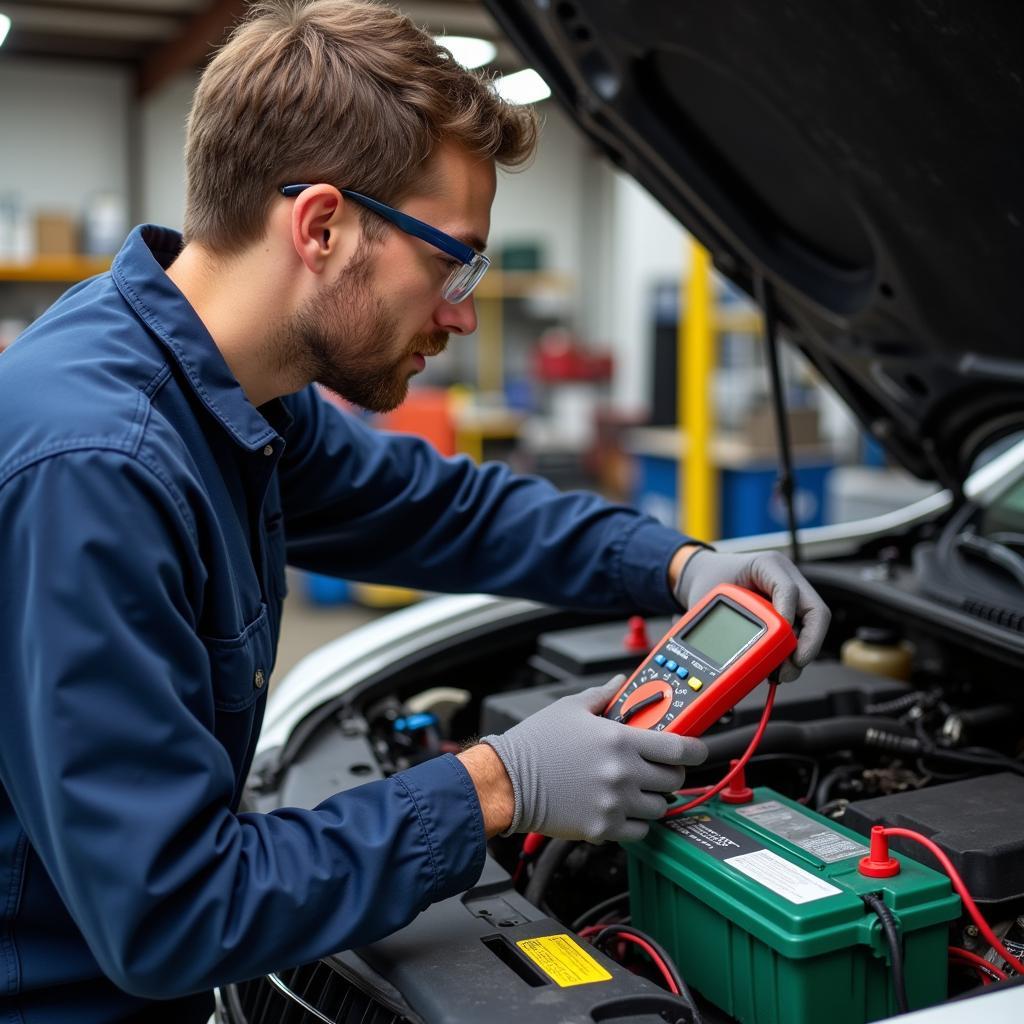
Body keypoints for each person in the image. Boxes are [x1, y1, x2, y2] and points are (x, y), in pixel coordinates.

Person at [0, 2, 830, 1020]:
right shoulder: (102, 468)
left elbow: (438, 507)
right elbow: (169, 911)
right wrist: (497, 783)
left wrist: (675, 564)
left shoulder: (213, 382)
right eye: (454, 259)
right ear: (321, 227)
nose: (463, 311)